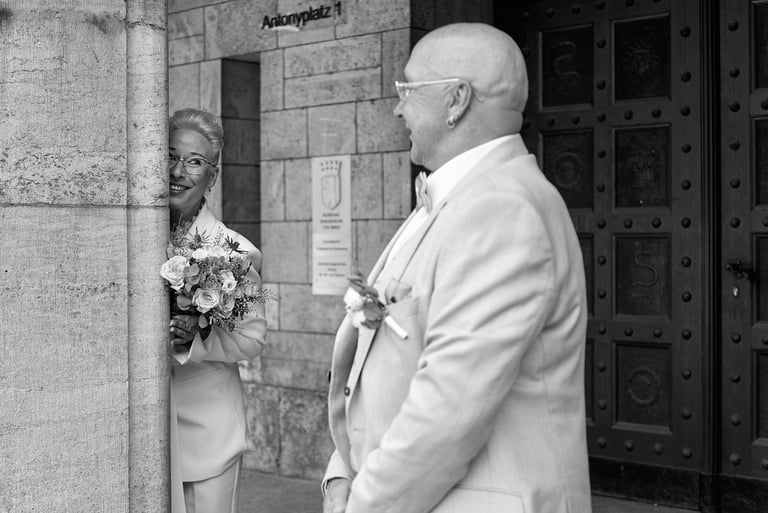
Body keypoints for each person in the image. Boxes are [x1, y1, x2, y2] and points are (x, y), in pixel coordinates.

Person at [322, 23, 591, 513]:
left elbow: (448, 410)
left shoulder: (503, 209)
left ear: (456, 101)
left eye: (407, 89)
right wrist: (341, 473)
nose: (398, 107)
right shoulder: (456, 201)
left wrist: (362, 504)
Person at [166, 108, 267, 513]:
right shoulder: (132, 236)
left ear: (213, 175)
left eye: (193, 162)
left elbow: (252, 339)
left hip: (207, 433)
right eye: (170, 156)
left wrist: (197, 339)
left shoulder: (233, 251)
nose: (178, 171)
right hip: (142, 430)